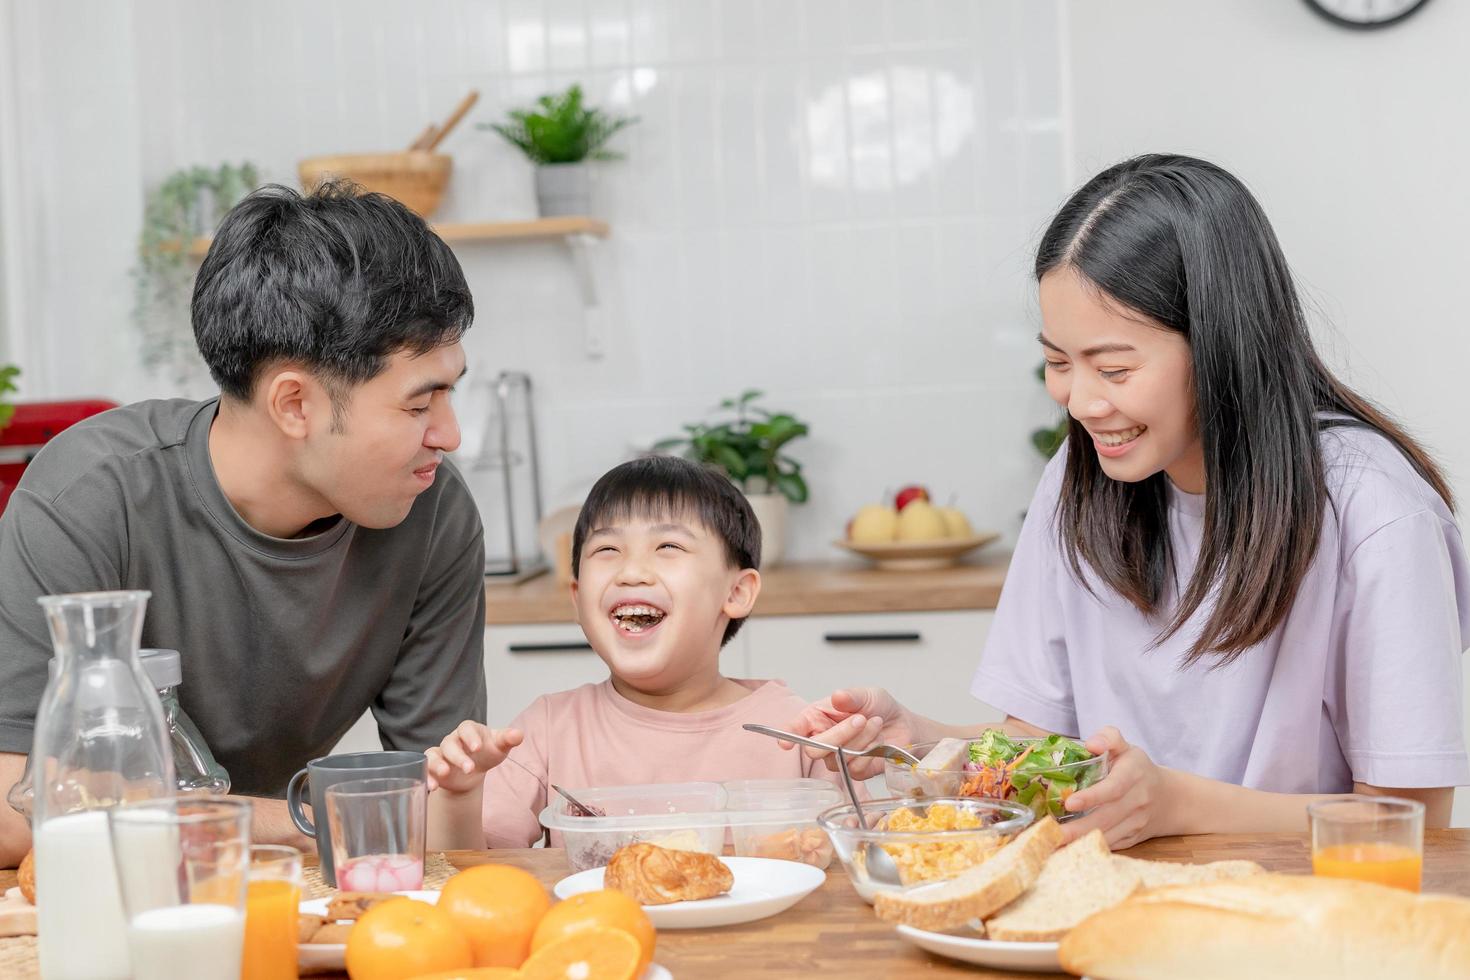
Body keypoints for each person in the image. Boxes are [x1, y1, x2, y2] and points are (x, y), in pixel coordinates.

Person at [788, 153, 1469, 848]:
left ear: (1220, 343)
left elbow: (1407, 823)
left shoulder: (1377, 514)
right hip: (1110, 910)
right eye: (1057, 363)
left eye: (1113, 368)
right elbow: (1043, 747)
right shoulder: (1080, 479)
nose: (1081, 403)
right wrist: (922, 741)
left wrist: (1175, 806)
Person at [0, 182, 487, 867]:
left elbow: (438, 803)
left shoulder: (432, 510)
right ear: (294, 404)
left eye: (451, 391)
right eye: (418, 405)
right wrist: (308, 817)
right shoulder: (88, 498)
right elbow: (16, 812)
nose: (451, 435)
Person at [424, 455, 844, 849]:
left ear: (736, 591)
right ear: (577, 597)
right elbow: (472, 871)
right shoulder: (548, 730)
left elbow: (854, 864)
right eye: (607, 550)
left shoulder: (799, 735)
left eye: (668, 548)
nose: (631, 572)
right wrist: (460, 794)